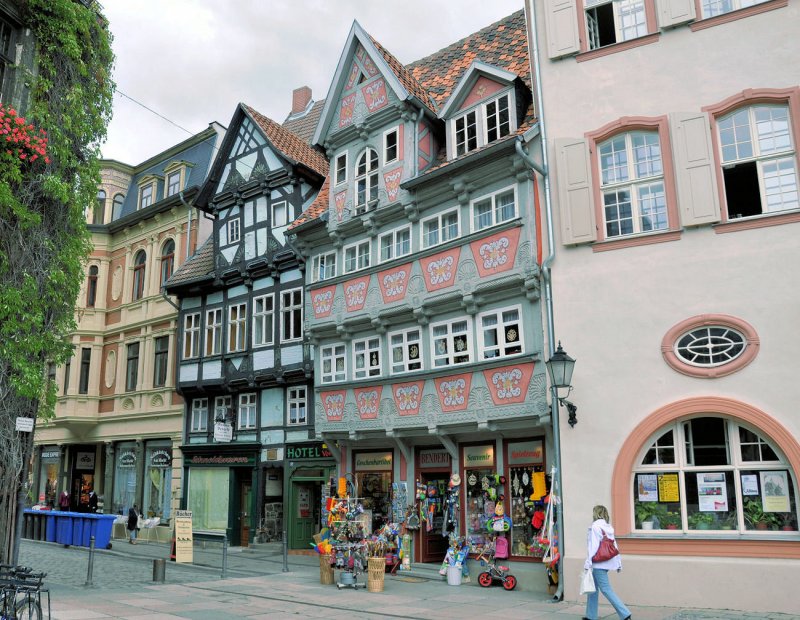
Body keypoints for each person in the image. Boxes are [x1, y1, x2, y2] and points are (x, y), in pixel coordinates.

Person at [583, 505, 631, 620]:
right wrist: (619, 563)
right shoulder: (608, 527)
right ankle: (591, 616)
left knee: (606, 589)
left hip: (598, 563)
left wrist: (588, 562)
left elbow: (593, 547)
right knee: (592, 590)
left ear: (596, 513)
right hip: (607, 562)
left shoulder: (595, 527)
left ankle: (625, 614)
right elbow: (614, 545)